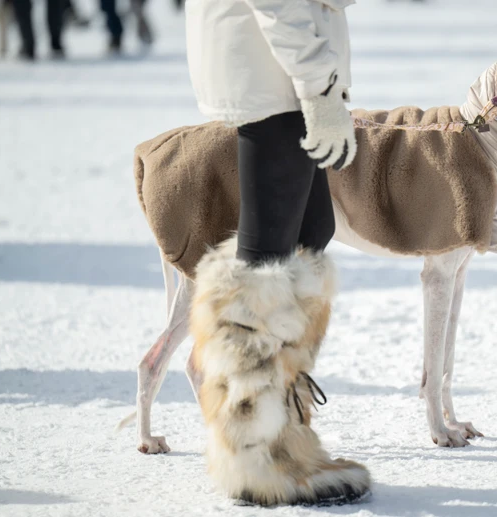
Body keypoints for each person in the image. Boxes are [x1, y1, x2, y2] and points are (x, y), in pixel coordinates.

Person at [184, 0, 369, 507]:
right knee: (265, 264)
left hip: (284, 75)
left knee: (309, 238)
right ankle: (252, 459)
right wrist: (319, 88)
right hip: (274, 77)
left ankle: (286, 437)